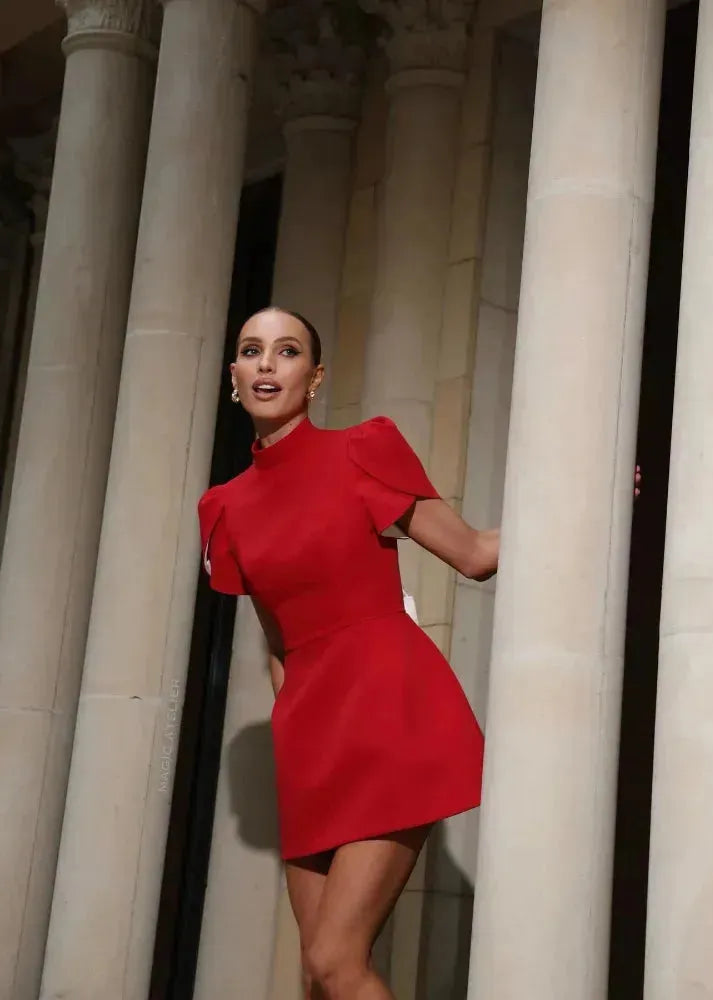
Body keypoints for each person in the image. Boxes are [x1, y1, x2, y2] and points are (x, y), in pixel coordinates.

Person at [198, 306, 495, 999]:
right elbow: (279, 642)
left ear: (316, 376)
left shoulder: (361, 450)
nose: (268, 363)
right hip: (310, 735)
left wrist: (588, 504)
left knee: (337, 959)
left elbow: (476, 554)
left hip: (389, 711)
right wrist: (295, 727)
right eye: (252, 350)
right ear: (233, 378)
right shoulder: (224, 507)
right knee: (316, 977)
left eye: (288, 350)